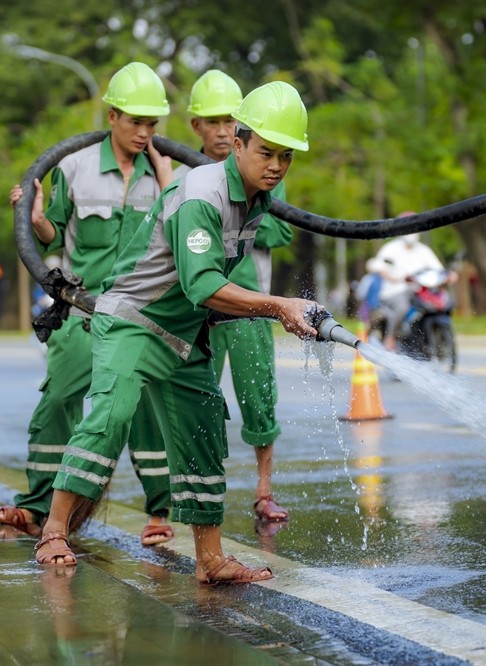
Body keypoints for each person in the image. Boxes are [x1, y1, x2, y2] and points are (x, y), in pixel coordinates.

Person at [33, 81, 319, 586]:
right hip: (135, 322)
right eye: (266, 152)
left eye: (286, 156)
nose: (276, 165)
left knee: (203, 426)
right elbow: (203, 283)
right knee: (112, 414)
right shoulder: (201, 194)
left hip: (183, 331)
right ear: (238, 145)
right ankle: (53, 531)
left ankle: (210, 560)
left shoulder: (255, 199)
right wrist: (278, 305)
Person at [0, 62, 176, 547]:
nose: (144, 132)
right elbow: (51, 232)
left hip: (139, 315)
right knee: (57, 401)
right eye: (135, 121)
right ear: (112, 116)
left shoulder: (166, 175)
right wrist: (33, 217)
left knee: (146, 410)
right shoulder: (75, 167)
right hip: (80, 311)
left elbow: (179, 234)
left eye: (151, 124)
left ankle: (160, 512)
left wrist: (168, 179)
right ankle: (35, 508)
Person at [180, 70, 294, 524]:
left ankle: (264, 491)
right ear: (197, 127)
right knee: (197, 402)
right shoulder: (188, 176)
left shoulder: (267, 171)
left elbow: (283, 229)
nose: (224, 130)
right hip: (200, 310)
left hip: (251, 305)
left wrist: (236, 217)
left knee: (258, 396)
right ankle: (194, 499)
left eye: (231, 120)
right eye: (213, 121)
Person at [366, 223, 445, 350]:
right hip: (394, 291)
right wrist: (392, 277)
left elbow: (438, 269)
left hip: (418, 291)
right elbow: (379, 266)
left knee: (435, 303)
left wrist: (447, 275)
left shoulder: (424, 250)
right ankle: (390, 338)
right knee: (402, 307)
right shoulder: (390, 248)